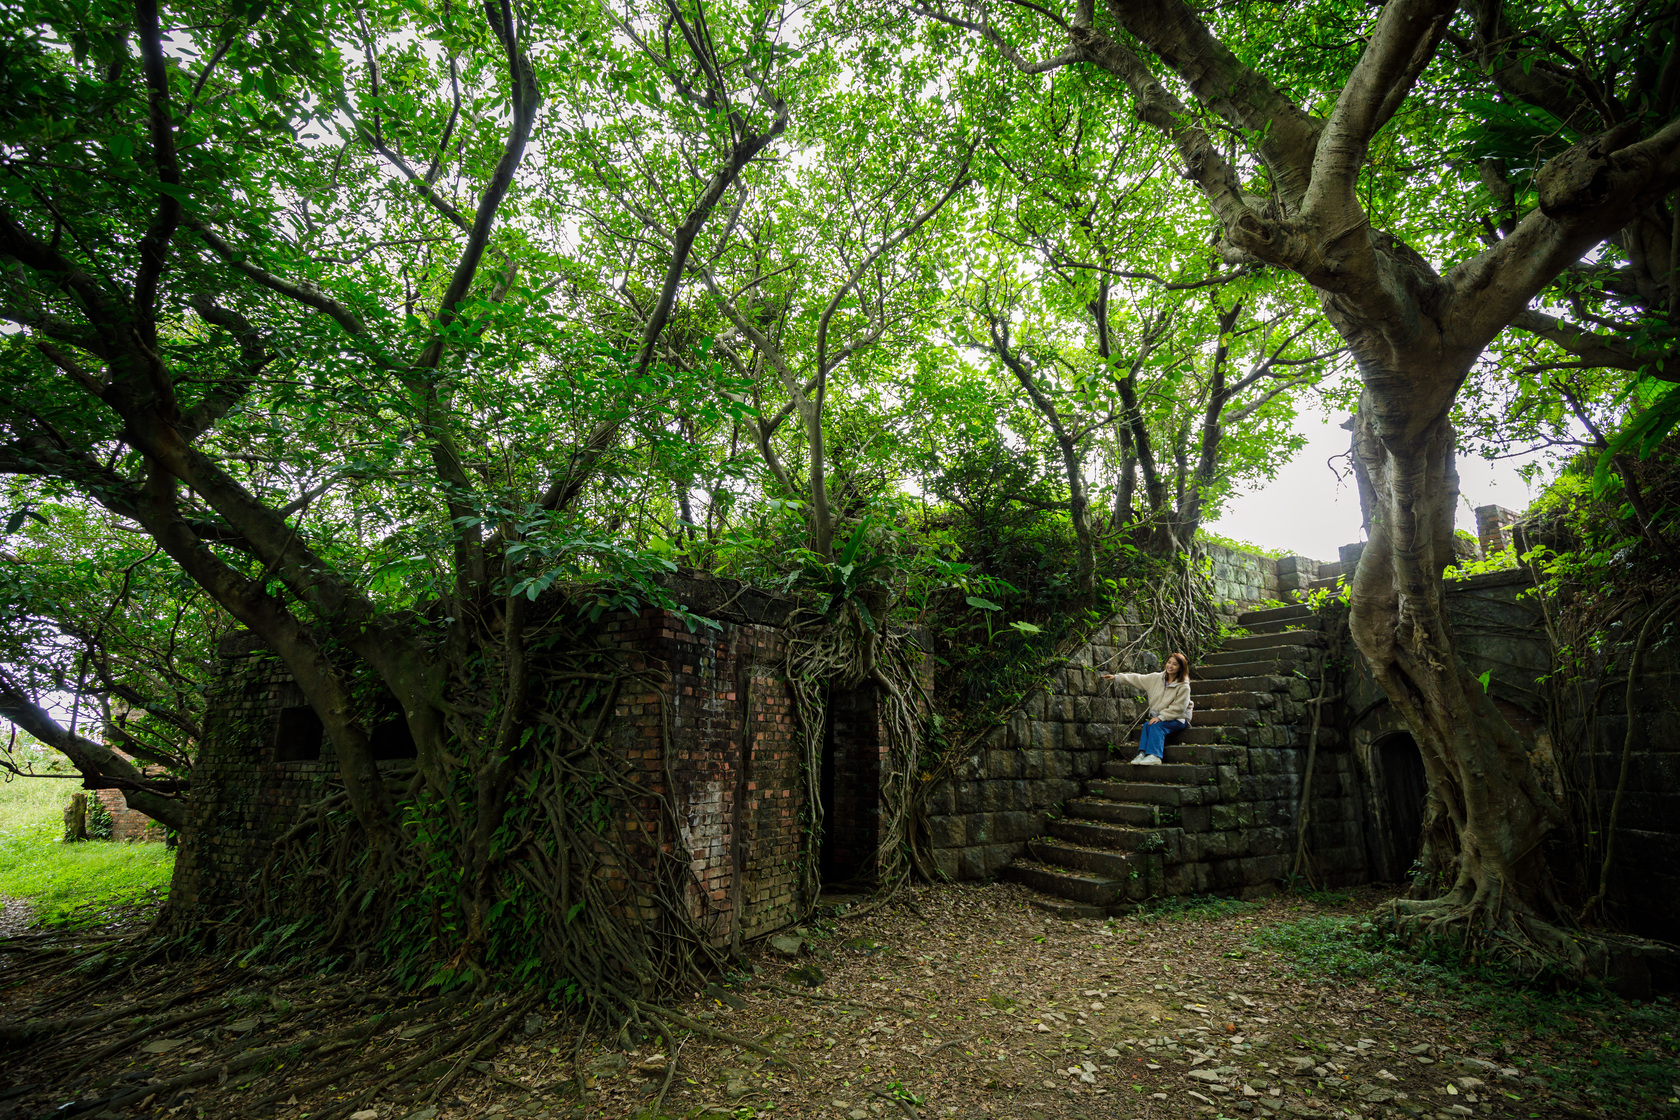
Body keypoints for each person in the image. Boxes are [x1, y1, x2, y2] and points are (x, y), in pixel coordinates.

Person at [1101, 652, 1193, 766]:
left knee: (1156, 726)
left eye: (1175, 664)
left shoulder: (1183, 685)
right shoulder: (1156, 678)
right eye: (1169, 662)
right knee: (1147, 725)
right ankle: (1142, 754)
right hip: (1162, 717)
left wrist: (1160, 717)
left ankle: (1155, 755)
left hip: (1178, 718)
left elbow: (1179, 708)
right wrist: (1117, 677)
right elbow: (1137, 679)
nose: (1170, 666)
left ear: (1180, 667)